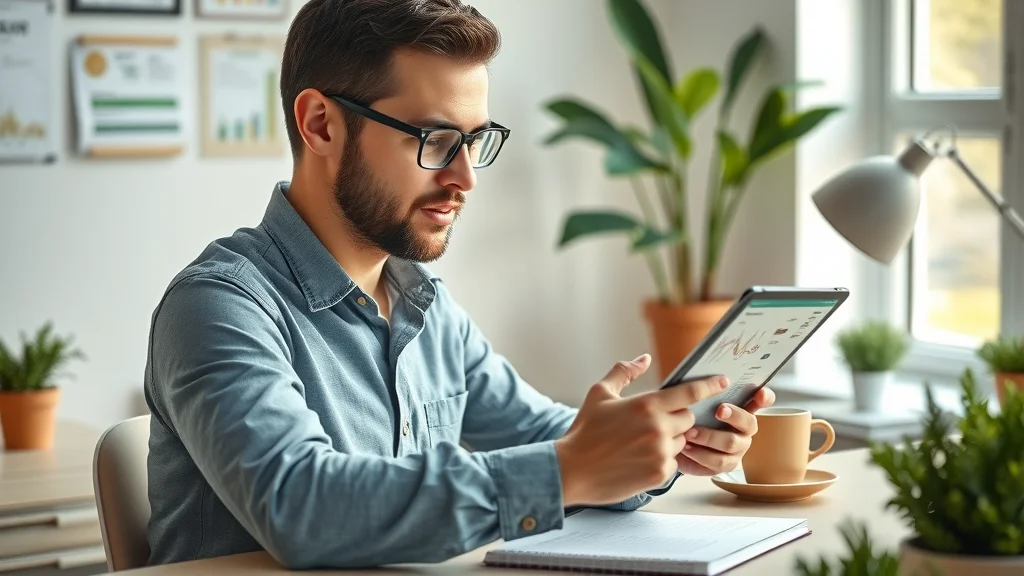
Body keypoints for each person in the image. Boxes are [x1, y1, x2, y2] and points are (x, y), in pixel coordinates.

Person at [142, 0, 776, 570]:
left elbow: (553, 438)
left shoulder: (424, 306)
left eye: (476, 141)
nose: (466, 179)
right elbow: (303, 509)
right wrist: (568, 470)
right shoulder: (219, 306)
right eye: (437, 140)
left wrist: (661, 443)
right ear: (321, 125)